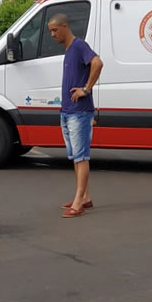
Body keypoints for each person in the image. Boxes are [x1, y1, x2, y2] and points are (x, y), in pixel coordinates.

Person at [47, 13, 104, 218]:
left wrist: (86, 89)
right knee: (75, 157)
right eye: (50, 31)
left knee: (81, 157)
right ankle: (85, 197)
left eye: (54, 30)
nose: (52, 34)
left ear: (65, 26)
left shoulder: (79, 46)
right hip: (68, 111)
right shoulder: (69, 50)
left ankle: (78, 202)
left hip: (80, 113)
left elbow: (97, 63)